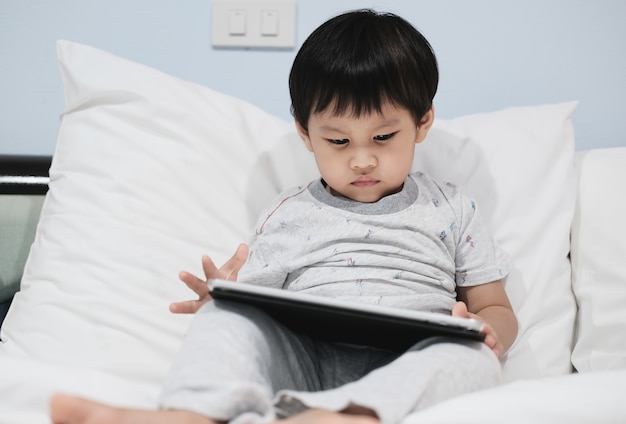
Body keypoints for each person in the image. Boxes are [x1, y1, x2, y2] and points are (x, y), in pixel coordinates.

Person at [50, 9, 518, 424]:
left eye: (382, 138)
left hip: (413, 361)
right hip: (306, 361)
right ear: (304, 132)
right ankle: (188, 414)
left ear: (422, 123)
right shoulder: (289, 211)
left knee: (474, 359)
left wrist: (487, 330)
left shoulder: (452, 208)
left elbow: (494, 304)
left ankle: (343, 417)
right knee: (224, 324)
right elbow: (262, 307)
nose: (361, 160)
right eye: (338, 141)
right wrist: (226, 297)